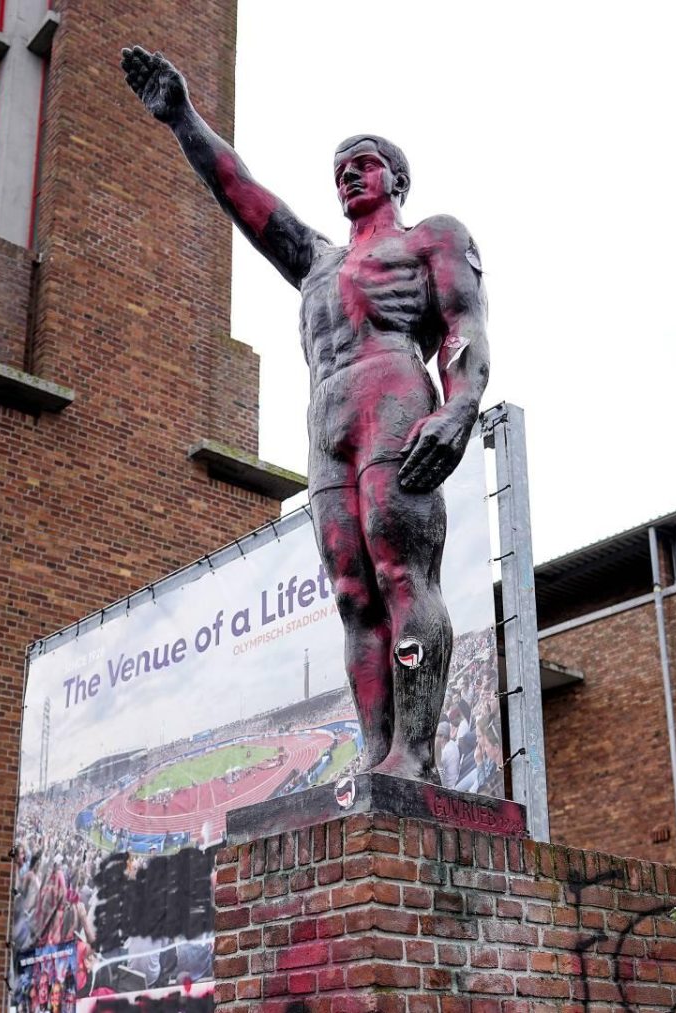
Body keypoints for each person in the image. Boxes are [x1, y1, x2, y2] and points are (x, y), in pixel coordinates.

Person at [122, 47, 490, 783]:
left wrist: (460, 409)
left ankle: (413, 756)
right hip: (326, 427)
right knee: (353, 595)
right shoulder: (317, 262)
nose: (349, 174)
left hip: (393, 406)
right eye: (340, 169)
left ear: (396, 179)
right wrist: (183, 119)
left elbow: (465, 325)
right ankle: (375, 750)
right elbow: (243, 193)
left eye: (364, 163)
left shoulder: (429, 238)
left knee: (401, 573)